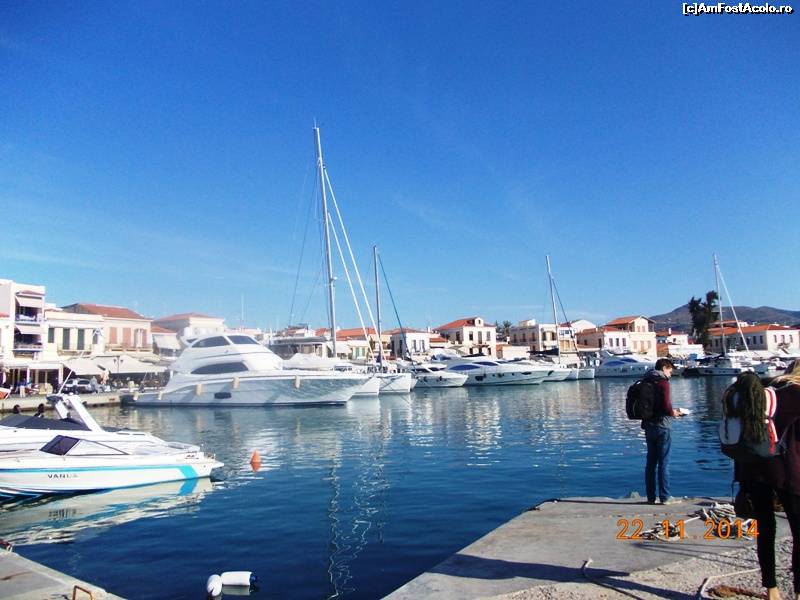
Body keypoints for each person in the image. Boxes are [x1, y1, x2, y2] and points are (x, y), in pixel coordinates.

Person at [735, 361, 800, 600]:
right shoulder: (796, 394)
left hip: (752, 470)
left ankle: (772, 590)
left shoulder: (760, 388)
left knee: (765, 530)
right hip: (787, 472)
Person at [641, 358, 681, 505]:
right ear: (664, 368)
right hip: (663, 426)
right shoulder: (663, 382)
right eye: (670, 371)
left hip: (648, 425)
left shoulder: (646, 380)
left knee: (650, 463)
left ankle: (650, 497)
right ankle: (665, 497)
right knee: (664, 462)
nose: (670, 374)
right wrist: (674, 413)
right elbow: (666, 405)